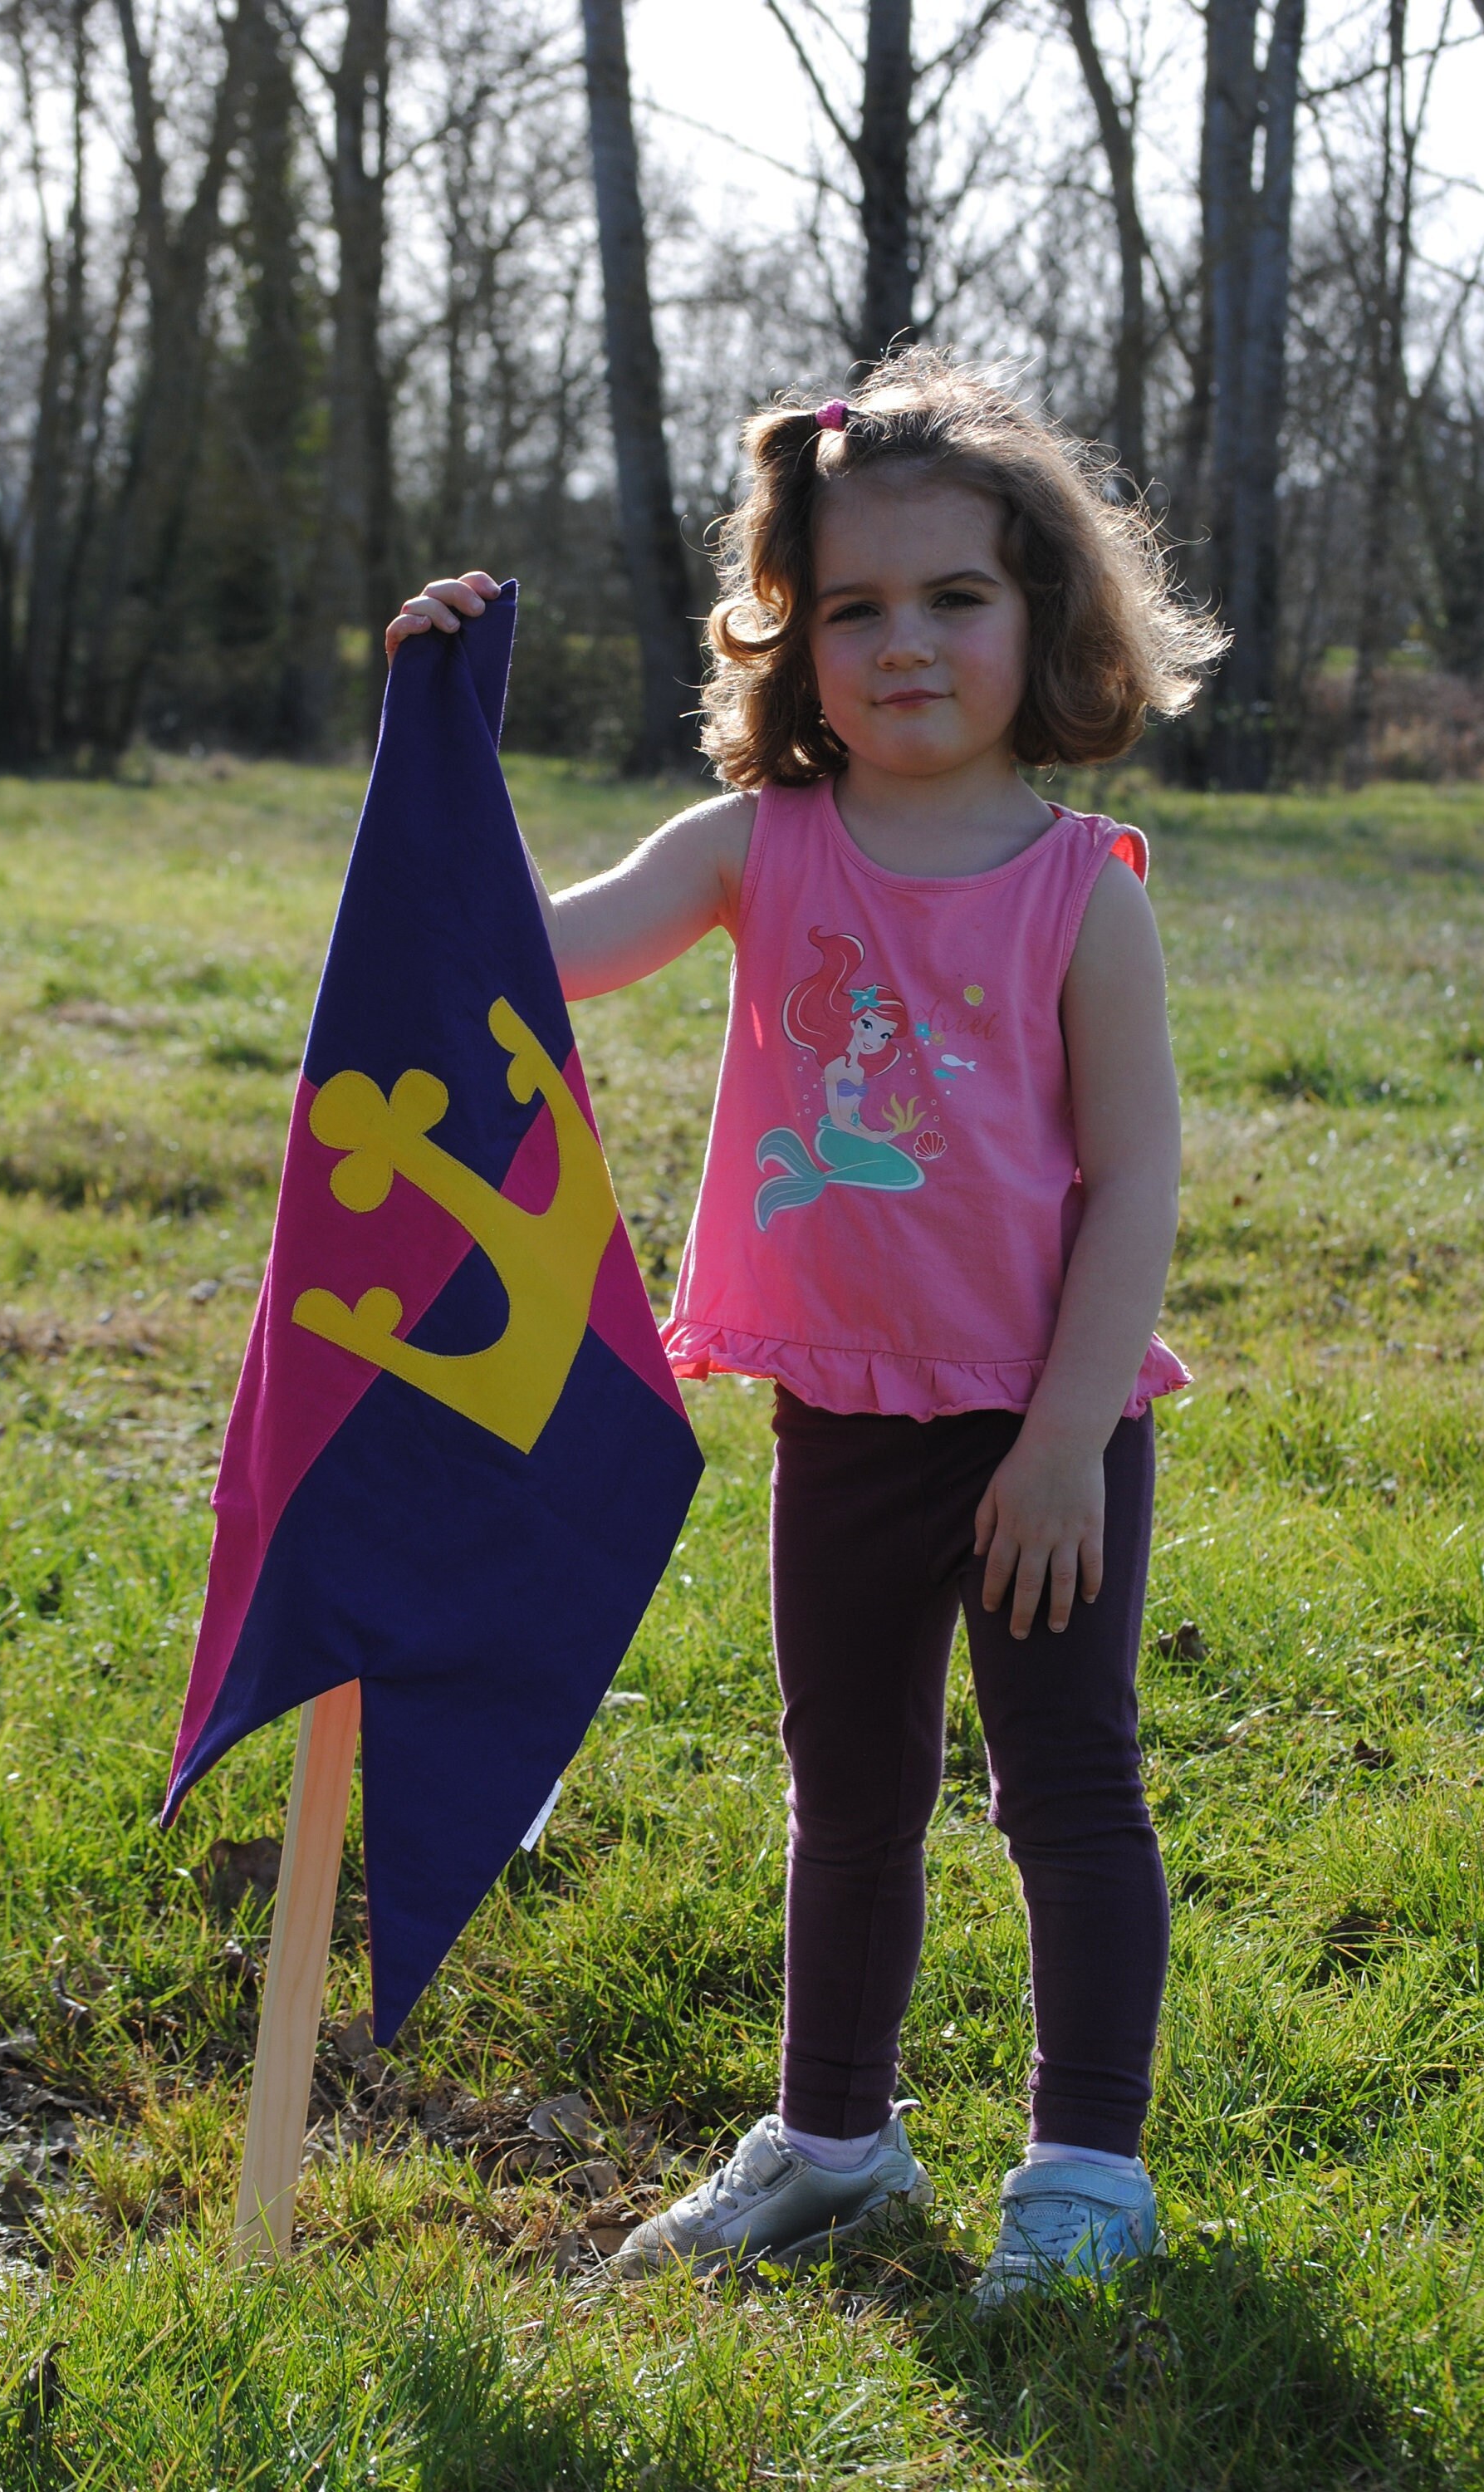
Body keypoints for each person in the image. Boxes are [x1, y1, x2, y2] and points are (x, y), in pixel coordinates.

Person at [384, 349, 1223, 2307]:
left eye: (954, 600)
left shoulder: (1077, 895)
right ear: (790, 637)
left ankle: (1085, 2172)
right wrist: (432, 717)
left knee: (1067, 1791)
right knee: (846, 1791)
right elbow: (527, 944)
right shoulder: (759, 848)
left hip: (1044, 1436)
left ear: (1044, 623)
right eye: (853, 608)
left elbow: (1134, 1190)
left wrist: (1056, 1446)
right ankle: (832, 2137)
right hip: (840, 1419)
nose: (902, 643)